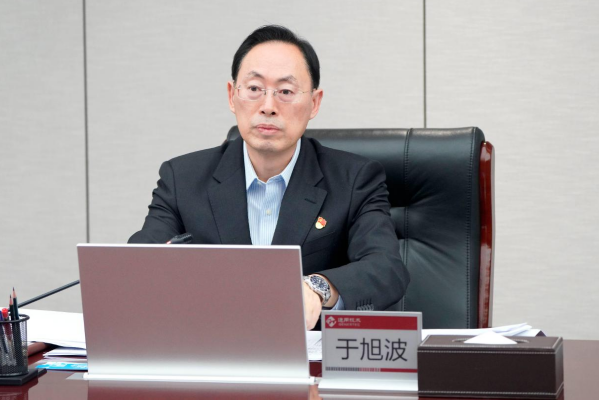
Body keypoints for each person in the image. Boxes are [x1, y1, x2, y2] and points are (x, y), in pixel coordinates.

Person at [129, 25, 409, 329]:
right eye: (254, 89)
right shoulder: (182, 179)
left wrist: (317, 288)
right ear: (232, 96)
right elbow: (136, 264)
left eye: (286, 92)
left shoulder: (354, 180)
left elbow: (386, 269)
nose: (268, 107)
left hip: (308, 352)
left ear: (314, 103)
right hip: (212, 344)